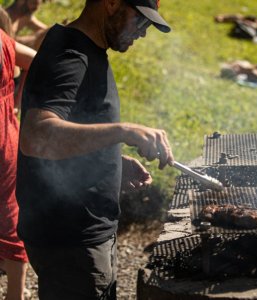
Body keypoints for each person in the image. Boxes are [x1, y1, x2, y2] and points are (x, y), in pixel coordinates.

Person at [16, 0, 173, 298]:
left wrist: (109, 159)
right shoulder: (70, 57)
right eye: (140, 21)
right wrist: (124, 131)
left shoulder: (86, 49)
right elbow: (36, 136)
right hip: (71, 238)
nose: (142, 33)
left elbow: (72, 126)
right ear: (112, 3)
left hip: (78, 233)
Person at [0, 6, 36, 300]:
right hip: (7, 138)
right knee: (10, 217)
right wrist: (16, 98)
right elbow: (36, 61)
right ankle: (16, 295)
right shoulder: (4, 41)